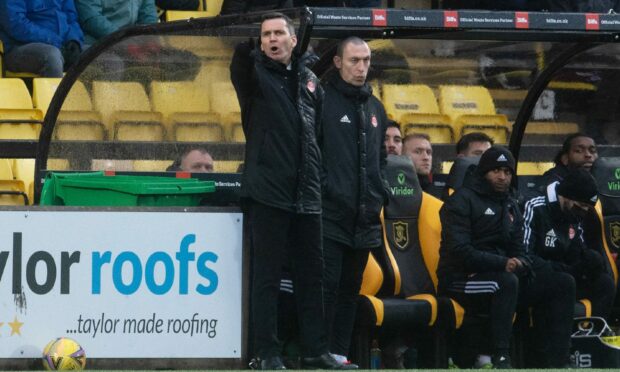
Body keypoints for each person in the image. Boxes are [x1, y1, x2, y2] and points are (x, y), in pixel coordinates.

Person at [230, 12, 348, 370]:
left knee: (312, 278)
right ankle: (266, 352)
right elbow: (239, 62)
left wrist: (320, 178)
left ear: (295, 40)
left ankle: (315, 349)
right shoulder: (254, 76)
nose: (272, 39)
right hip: (268, 192)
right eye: (266, 35)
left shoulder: (311, 80)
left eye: (279, 33)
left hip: (307, 194)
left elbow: (320, 137)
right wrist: (248, 49)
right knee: (265, 278)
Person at [437, 146, 576, 368]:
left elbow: (519, 245)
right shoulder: (461, 201)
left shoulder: (510, 203)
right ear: (484, 172)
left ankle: (557, 361)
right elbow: (459, 251)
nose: (503, 177)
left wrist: (521, 262)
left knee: (561, 283)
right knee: (506, 282)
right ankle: (500, 356)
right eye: (496, 171)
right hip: (461, 278)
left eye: (508, 172)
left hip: (502, 273)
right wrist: (504, 263)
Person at [320, 36, 388, 367]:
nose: (361, 68)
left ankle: (339, 353)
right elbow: (311, 153)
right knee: (326, 288)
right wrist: (326, 189)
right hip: (330, 214)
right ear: (337, 62)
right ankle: (316, 353)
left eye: (366, 61)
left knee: (350, 289)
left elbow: (380, 159)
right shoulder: (321, 100)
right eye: (354, 61)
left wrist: (379, 193)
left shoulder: (376, 107)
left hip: (364, 217)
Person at [523, 168, 615, 319]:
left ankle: (592, 330)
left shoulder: (574, 216)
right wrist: (562, 269)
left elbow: (577, 252)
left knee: (604, 283)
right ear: (566, 196)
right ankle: (558, 341)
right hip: (534, 277)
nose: (583, 211)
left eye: (587, 208)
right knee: (564, 282)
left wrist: (589, 261)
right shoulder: (534, 206)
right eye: (580, 206)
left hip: (564, 274)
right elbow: (524, 255)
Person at [0, 0, 84, 77]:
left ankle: (79, 94)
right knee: (51, 57)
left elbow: (72, 18)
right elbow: (15, 24)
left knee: (94, 55)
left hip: (61, 44)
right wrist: (55, 41)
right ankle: (55, 93)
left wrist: (74, 40)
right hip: (19, 48)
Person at [75, 0, 158, 48]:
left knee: (163, 58)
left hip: (131, 43)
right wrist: (124, 41)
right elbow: (92, 20)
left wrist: (146, 41)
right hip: (97, 43)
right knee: (114, 64)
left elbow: (149, 17)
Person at [402, 133, 441, 198]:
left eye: (428, 152)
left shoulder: (439, 193)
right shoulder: (392, 189)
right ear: (402, 155)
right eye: (417, 152)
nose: (426, 157)